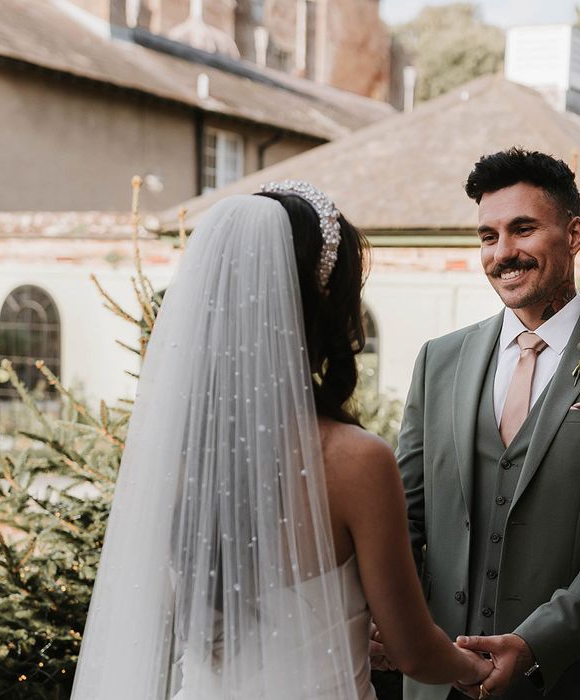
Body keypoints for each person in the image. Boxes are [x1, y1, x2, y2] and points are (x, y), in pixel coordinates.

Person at [70, 185, 492, 700]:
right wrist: (476, 670)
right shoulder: (357, 461)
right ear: (325, 308)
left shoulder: (175, 457)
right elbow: (413, 651)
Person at [394, 149, 580, 700]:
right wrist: (401, 627)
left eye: (522, 229)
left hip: (568, 680)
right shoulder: (439, 360)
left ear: (574, 234)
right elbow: (405, 515)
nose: (503, 253)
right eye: (488, 236)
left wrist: (535, 646)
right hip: (435, 681)